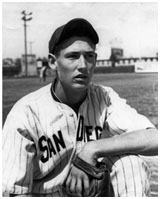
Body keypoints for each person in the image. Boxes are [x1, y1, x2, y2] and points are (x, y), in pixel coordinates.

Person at [2, 18, 157, 197]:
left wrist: (92, 149)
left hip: (94, 192)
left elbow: (154, 138)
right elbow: (12, 193)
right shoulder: (26, 113)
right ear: (52, 62)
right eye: (73, 56)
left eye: (89, 56)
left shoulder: (104, 97)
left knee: (130, 163)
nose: (83, 65)